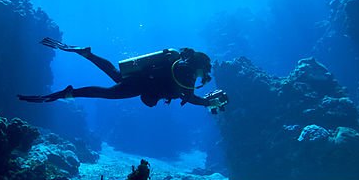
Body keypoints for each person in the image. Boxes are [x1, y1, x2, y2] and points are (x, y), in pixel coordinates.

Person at [19, 38, 229, 113]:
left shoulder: (181, 66)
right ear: (199, 65)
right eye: (205, 69)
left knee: (115, 75)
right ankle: (66, 93)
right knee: (107, 93)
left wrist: (206, 102)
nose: (205, 73)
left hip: (141, 79)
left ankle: (87, 54)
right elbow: (190, 97)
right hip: (143, 85)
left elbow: (185, 94)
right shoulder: (187, 73)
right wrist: (207, 103)